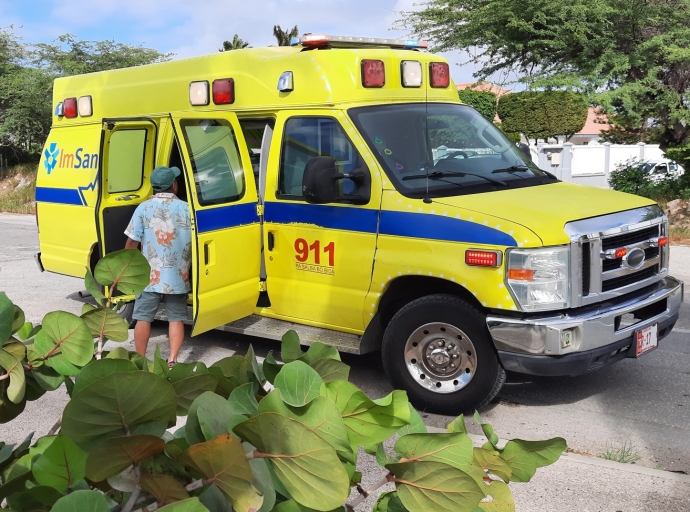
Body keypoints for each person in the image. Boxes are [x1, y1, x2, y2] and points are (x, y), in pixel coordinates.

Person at [124, 165, 192, 367]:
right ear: (174, 185)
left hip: (149, 275)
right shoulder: (187, 209)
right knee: (176, 318)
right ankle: (172, 360)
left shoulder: (143, 208)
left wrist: (129, 267)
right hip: (178, 275)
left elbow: (131, 242)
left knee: (143, 317)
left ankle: (140, 359)